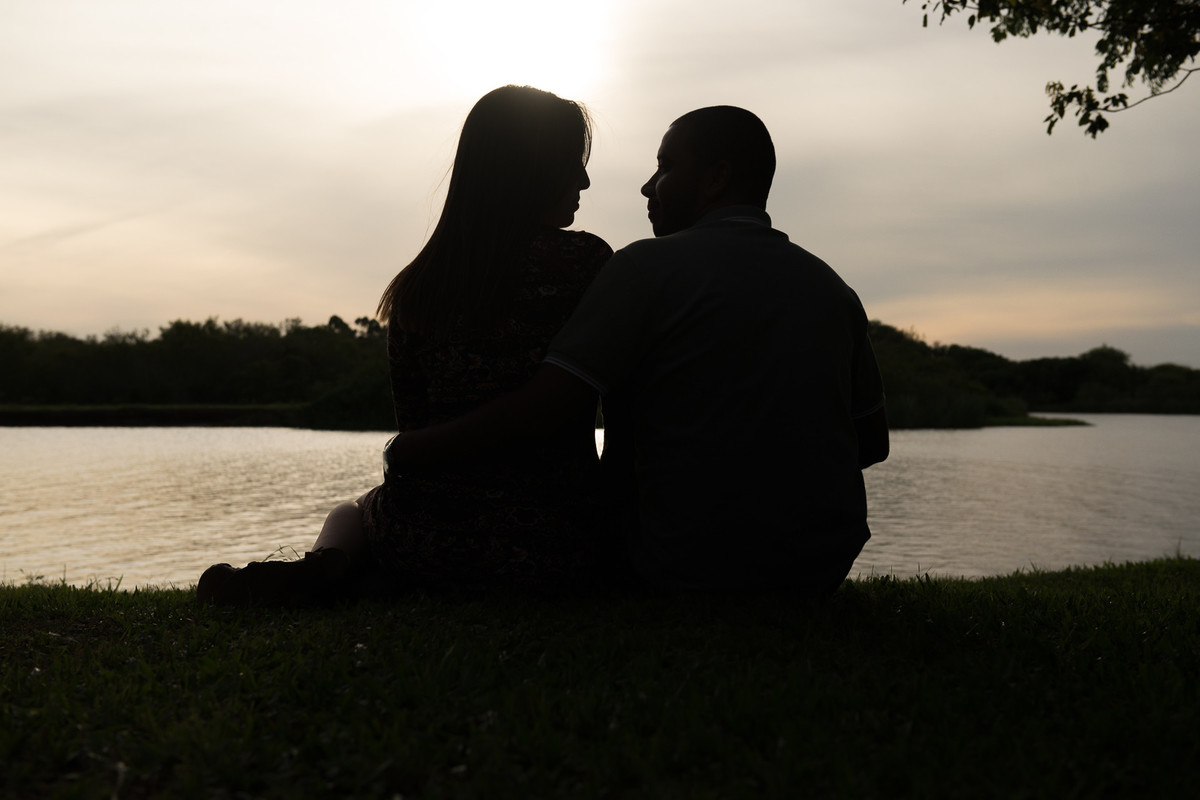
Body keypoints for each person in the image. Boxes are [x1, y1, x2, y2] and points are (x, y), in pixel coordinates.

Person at [383, 106, 889, 596]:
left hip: (676, 563)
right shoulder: (834, 290)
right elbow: (871, 444)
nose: (648, 186)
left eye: (665, 167)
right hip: (818, 568)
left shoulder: (643, 268)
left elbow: (551, 402)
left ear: (716, 179)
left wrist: (408, 449)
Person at [197, 85, 612, 604]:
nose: (584, 180)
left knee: (354, 510)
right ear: (533, 169)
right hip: (557, 541)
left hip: (426, 539)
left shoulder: (419, 287)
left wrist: (408, 454)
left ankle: (329, 565)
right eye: (572, 163)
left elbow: (414, 434)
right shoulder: (586, 264)